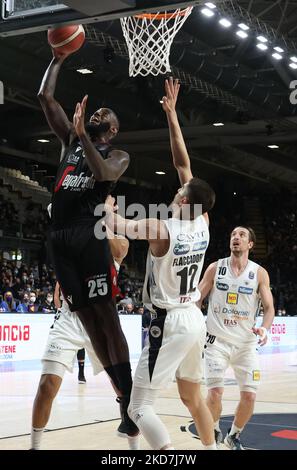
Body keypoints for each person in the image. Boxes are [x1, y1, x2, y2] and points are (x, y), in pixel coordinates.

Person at [104, 78, 216, 450]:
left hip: (167, 321)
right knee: (192, 398)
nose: (175, 190)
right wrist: (172, 116)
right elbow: (182, 162)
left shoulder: (160, 227)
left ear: (184, 202)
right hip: (194, 320)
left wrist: (106, 204)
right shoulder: (203, 221)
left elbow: (117, 227)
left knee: (138, 409)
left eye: (178, 191)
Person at [38, 48, 137, 437]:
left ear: (111, 131)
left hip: (87, 231)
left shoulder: (118, 154)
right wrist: (58, 58)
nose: (98, 115)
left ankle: (130, 400)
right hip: (58, 237)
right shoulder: (70, 142)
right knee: (88, 323)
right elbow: (45, 98)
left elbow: (103, 175)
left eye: (105, 118)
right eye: (96, 112)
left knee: (107, 319)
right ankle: (122, 396)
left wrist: (82, 134)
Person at [30, 229, 140, 450]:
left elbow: (120, 250)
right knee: (47, 385)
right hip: (69, 320)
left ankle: (134, 447)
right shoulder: (70, 240)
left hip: (101, 321)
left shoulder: (113, 239)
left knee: (122, 390)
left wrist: (98, 220)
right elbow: (60, 283)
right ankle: (35, 446)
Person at [198, 226, 275, 450]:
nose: (236, 238)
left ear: (250, 244)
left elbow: (269, 308)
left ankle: (234, 435)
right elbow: (197, 299)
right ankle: (213, 427)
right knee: (214, 393)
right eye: (233, 235)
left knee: (249, 396)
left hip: (246, 344)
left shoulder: (259, 273)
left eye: (242, 235)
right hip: (216, 341)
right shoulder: (215, 268)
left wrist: (265, 328)